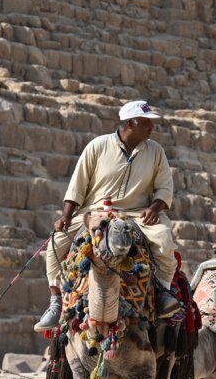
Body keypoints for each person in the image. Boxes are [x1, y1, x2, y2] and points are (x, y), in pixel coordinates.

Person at [34, 99, 180, 332]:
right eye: (146, 123)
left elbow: (164, 188)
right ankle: (55, 302)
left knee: (163, 239)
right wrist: (66, 217)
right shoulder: (97, 146)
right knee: (54, 245)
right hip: (95, 213)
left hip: (136, 214)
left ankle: (163, 293)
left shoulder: (156, 152)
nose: (152, 128)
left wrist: (154, 208)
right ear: (130, 123)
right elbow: (77, 186)